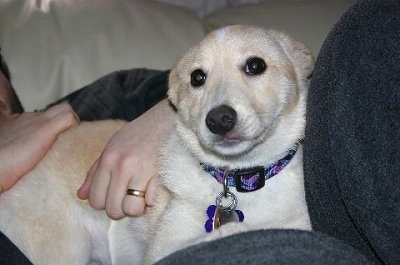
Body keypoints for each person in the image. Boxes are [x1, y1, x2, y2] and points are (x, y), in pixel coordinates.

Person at [2, 0, 400, 264]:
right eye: (200, 78)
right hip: (64, 202)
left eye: (254, 67)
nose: (220, 109)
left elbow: (186, 89)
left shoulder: (102, 97)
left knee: (374, 28)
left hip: (325, 203)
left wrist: (168, 109)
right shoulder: (45, 147)